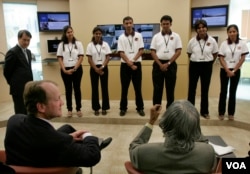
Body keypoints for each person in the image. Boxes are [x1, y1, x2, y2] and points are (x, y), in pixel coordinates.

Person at [4, 80, 112, 173]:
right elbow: (92, 157)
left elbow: (46, 138)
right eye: (57, 99)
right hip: (47, 166)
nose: (62, 103)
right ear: (41, 106)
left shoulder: (14, 120)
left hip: (27, 158)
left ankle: (90, 143)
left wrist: (68, 137)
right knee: (89, 145)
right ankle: (93, 144)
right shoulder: (57, 143)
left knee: (66, 128)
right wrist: (88, 135)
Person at [129, 100, 216, 174]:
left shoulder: (142, 153)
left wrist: (151, 121)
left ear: (165, 123)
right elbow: (203, 143)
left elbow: (134, 146)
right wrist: (192, 124)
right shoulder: (208, 154)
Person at [187, 19, 218, 119]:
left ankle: (204, 111)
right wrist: (197, 59)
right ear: (196, 30)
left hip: (207, 66)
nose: (201, 29)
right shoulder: (192, 41)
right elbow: (189, 53)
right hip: (194, 65)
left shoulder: (212, 40)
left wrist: (209, 62)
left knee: (205, 89)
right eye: (199, 28)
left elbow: (215, 53)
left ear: (206, 28)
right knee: (192, 89)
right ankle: (190, 111)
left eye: (203, 27)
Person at [150, 15, 182, 109]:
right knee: (157, 89)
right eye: (163, 24)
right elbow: (152, 51)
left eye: (167, 24)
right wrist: (160, 64)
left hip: (171, 65)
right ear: (161, 24)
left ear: (171, 24)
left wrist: (168, 63)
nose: (165, 26)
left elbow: (178, 51)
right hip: (158, 65)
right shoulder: (156, 37)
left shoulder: (176, 36)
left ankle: (170, 109)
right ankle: (156, 108)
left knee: (170, 89)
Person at [218, 24, 249, 121]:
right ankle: (221, 113)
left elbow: (242, 59)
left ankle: (231, 113)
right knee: (223, 92)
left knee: (232, 92)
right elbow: (221, 58)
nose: (232, 33)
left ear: (237, 32)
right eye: (230, 32)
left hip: (236, 71)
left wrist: (234, 70)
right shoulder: (224, 44)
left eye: (234, 31)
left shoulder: (242, 44)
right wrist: (227, 70)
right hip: (224, 70)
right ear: (227, 33)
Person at [117, 16, 145, 117]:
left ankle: (140, 108)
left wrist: (132, 61)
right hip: (125, 66)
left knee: (138, 88)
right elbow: (121, 52)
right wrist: (129, 63)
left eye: (130, 23)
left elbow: (141, 50)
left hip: (136, 65)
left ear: (133, 24)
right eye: (126, 23)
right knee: (124, 89)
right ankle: (123, 108)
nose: (128, 25)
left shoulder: (139, 35)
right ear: (123, 25)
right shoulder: (121, 37)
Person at [3, 29, 33, 114]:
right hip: (18, 88)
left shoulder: (28, 52)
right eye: (24, 40)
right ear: (18, 39)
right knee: (20, 110)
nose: (26, 42)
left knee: (28, 109)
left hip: (28, 86)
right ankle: (20, 127)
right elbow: (7, 72)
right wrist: (13, 83)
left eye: (28, 40)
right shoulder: (12, 52)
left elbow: (28, 68)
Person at [57, 25, 84, 117]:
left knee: (77, 89)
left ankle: (78, 109)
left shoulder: (78, 43)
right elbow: (60, 58)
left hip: (77, 69)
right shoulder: (61, 45)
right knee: (68, 90)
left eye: (71, 31)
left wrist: (75, 68)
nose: (70, 33)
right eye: (68, 32)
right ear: (65, 33)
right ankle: (69, 109)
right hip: (65, 70)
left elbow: (81, 57)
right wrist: (64, 70)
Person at [86, 27, 111, 116]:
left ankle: (104, 107)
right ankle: (96, 108)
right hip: (94, 68)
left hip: (104, 67)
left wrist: (102, 67)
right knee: (94, 89)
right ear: (93, 34)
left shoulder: (105, 44)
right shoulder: (90, 45)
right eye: (96, 33)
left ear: (102, 35)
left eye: (99, 33)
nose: (98, 35)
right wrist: (96, 69)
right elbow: (89, 59)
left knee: (104, 88)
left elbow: (108, 57)